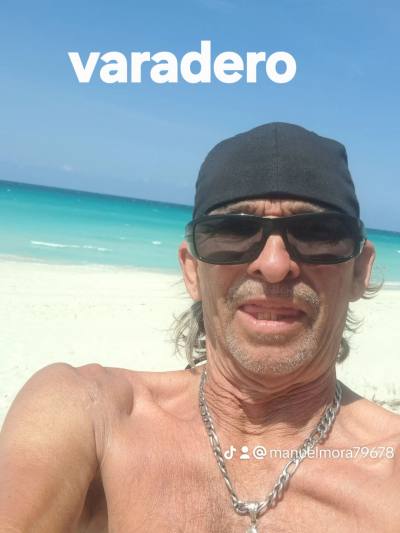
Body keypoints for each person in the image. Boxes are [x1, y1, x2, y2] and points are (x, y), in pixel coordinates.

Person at [0, 123, 399, 533]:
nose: (274, 265)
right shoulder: (93, 418)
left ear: (359, 272)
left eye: (316, 233)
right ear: (192, 270)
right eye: (233, 231)